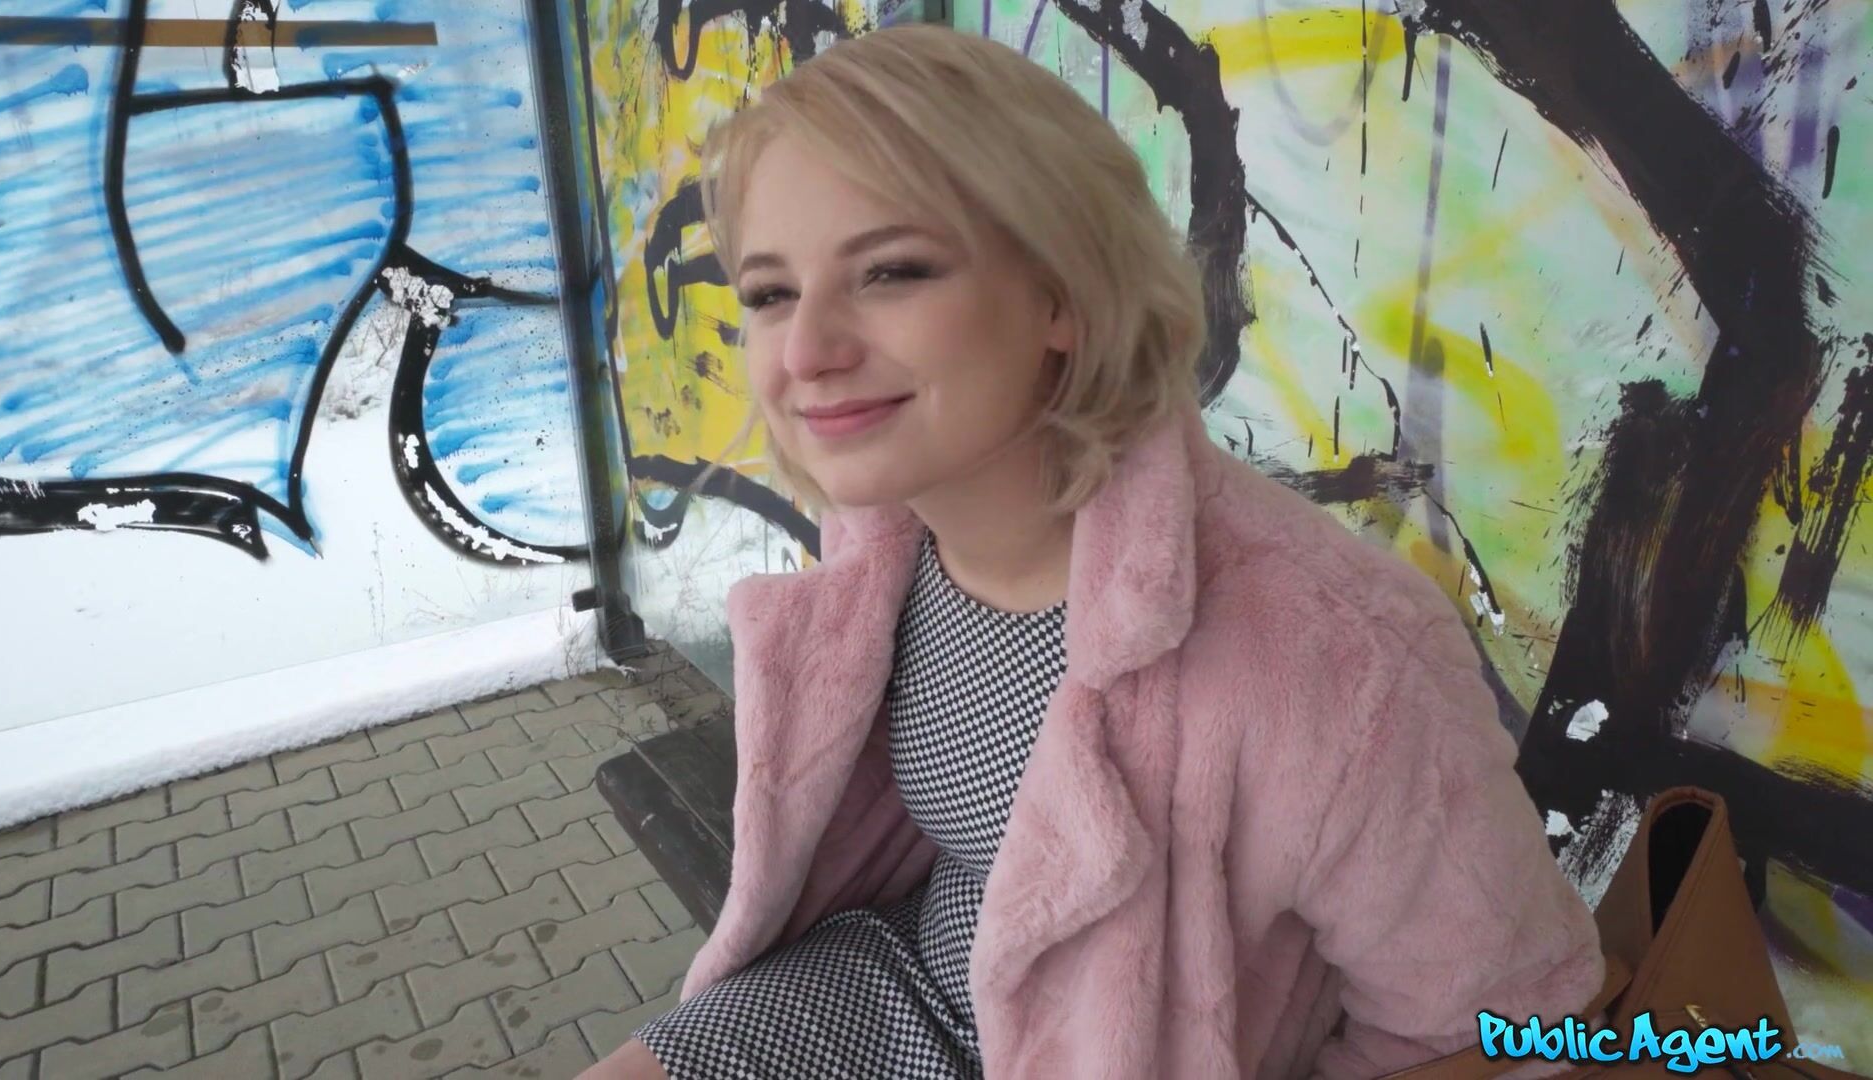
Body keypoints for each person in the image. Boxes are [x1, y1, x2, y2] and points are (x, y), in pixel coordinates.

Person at [581, 23, 1604, 1080]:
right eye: (769, 293)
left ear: (1060, 296)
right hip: (893, 981)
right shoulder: (884, 540)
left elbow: (1512, 1029)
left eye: (889, 272)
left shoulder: (1338, 656)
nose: (805, 351)